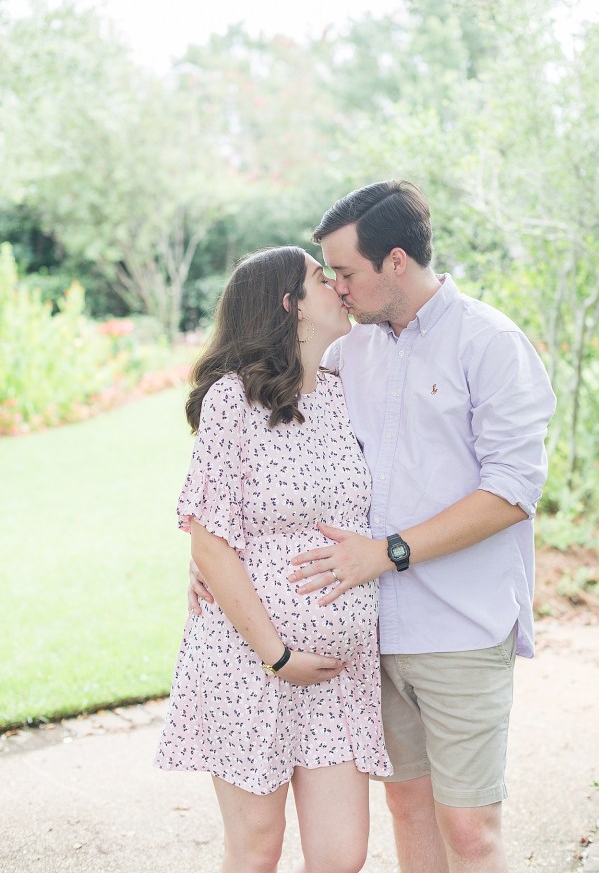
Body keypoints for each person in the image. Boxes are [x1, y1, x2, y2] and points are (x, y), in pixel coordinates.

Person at [190, 181, 556, 873]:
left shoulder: (490, 343)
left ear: (394, 261)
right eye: (325, 277)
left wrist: (388, 553)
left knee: (471, 829)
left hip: (460, 626)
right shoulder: (342, 358)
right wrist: (207, 557)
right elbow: (253, 469)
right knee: (406, 809)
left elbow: (512, 489)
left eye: (345, 273)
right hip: (370, 644)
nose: (338, 287)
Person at [156, 245, 391, 873]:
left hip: (339, 674)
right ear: (290, 305)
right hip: (250, 663)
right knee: (257, 849)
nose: (339, 285)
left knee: (342, 858)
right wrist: (279, 655)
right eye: (323, 278)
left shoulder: (344, 397)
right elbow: (209, 538)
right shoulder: (233, 402)